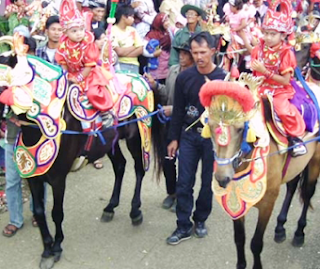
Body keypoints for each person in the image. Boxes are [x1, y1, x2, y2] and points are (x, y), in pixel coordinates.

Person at [166, 31, 226, 245]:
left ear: (212, 51)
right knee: (184, 183)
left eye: (203, 52)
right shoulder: (184, 77)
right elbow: (179, 111)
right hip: (189, 136)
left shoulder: (224, 78)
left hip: (212, 140)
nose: (199, 56)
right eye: (195, 52)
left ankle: (200, 219)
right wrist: (173, 139)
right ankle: (183, 226)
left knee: (207, 184)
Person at [250, 0, 307, 157]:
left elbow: (285, 80)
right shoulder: (259, 48)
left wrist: (265, 72)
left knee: (282, 110)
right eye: (266, 33)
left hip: (279, 90)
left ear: (282, 35)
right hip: (260, 87)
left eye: (273, 34)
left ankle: (295, 138)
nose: (268, 37)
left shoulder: (285, 53)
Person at [145, 42, 195, 212]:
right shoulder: (173, 70)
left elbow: (196, 104)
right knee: (167, 160)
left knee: (185, 163)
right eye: (180, 53)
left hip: (187, 124)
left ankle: (183, 196)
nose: (181, 56)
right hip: (170, 124)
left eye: (185, 53)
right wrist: (155, 86)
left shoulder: (196, 75)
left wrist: (173, 110)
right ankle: (171, 192)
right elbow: (167, 92)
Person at [2, 36, 39, 237]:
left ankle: (37, 212)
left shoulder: (42, 77)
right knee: (12, 180)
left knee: (35, 177)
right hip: (12, 136)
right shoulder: (7, 76)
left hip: (36, 137)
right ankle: (15, 219)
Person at [56, 0, 113, 127]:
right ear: (65, 33)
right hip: (71, 75)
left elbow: (89, 65)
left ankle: (105, 112)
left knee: (93, 93)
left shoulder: (87, 43)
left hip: (89, 75)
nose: (79, 34)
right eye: (74, 31)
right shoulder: (63, 45)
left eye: (81, 30)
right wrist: (66, 77)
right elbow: (63, 62)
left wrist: (79, 78)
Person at [111, 4, 143, 73]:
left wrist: (124, 53)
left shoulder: (132, 30)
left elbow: (140, 49)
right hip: (120, 64)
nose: (133, 19)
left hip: (134, 65)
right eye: (131, 17)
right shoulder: (112, 30)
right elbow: (119, 52)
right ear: (123, 17)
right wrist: (133, 47)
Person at [144, 13, 174, 83]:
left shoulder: (169, 32)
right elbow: (144, 49)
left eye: (168, 20)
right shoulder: (151, 35)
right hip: (155, 66)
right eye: (165, 21)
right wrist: (153, 54)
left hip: (167, 66)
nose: (168, 23)